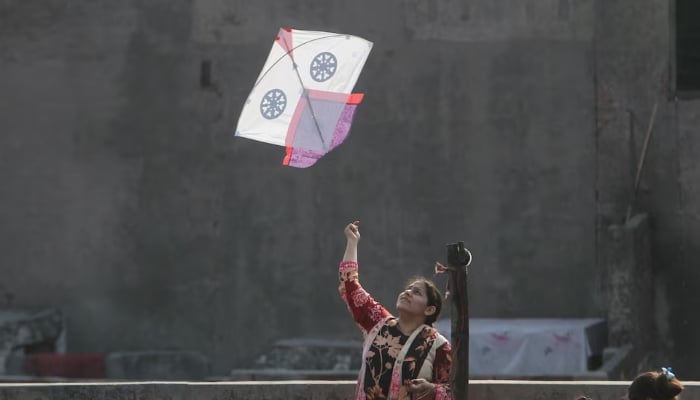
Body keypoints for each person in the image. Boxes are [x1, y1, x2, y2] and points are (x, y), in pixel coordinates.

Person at [338, 221, 452, 400]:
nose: (408, 293)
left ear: (429, 309)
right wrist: (352, 243)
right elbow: (350, 285)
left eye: (417, 293)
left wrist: (431, 389)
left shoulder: (439, 346)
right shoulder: (377, 322)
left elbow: (452, 391)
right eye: (408, 289)